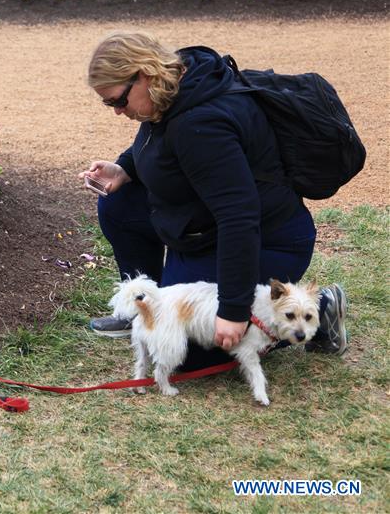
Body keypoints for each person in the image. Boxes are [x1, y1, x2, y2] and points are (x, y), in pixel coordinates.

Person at [81, 31, 347, 369]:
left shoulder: (200, 124)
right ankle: (144, 310)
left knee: (186, 351)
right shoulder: (174, 86)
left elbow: (239, 216)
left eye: (118, 101)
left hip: (266, 240)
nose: (117, 111)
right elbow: (159, 142)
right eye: (109, 103)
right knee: (120, 204)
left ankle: (315, 311)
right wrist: (125, 168)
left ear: (144, 74)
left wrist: (233, 312)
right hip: (202, 229)